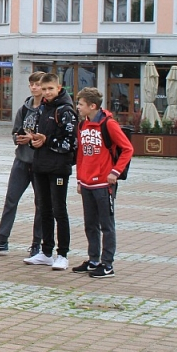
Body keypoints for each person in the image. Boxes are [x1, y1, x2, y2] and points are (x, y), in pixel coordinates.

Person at [0, 72, 44, 258]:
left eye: (38, 84)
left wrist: (33, 138)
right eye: (31, 84)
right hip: (21, 160)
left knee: (40, 204)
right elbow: (15, 132)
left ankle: (36, 244)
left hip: (40, 163)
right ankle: (2, 240)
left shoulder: (49, 110)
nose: (34, 87)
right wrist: (19, 138)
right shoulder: (24, 109)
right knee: (11, 200)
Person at [73, 87, 133, 279]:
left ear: (92, 106)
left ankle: (107, 264)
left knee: (106, 225)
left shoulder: (109, 124)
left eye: (81, 104)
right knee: (90, 224)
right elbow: (81, 154)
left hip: (103, 184)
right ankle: (93, 260)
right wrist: (80, 179)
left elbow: (127, 149)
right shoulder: (82, 125)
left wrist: (115, 172)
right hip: (88, 183)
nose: (78, 108)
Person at [25, 73, 78, 271]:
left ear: (58, 88)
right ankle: (46, 252)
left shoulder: (66, 111)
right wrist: (34, 140)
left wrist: (47, 140)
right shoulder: (41, 110)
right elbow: (36, 137)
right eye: (44, 89)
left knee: (59, 209)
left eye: (50, 89)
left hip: (58, 168)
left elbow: (70, 143)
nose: (47, 93)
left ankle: (62, 253)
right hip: (40, 165)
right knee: (43, 208)